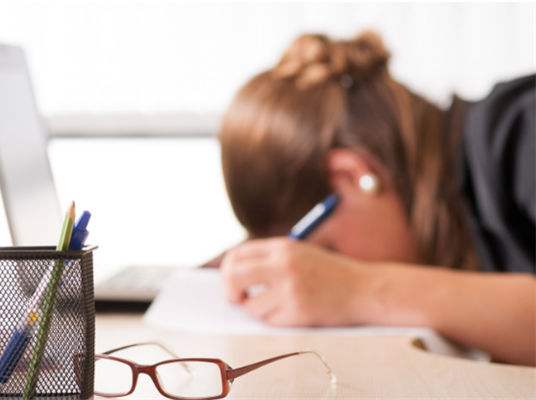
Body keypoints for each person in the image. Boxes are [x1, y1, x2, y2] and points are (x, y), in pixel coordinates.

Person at [215, 31, 535, 366]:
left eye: (328, 254)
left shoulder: (523, 129)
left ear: (354, 175)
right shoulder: (462, 228)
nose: (324, 275)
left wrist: (358, 289)